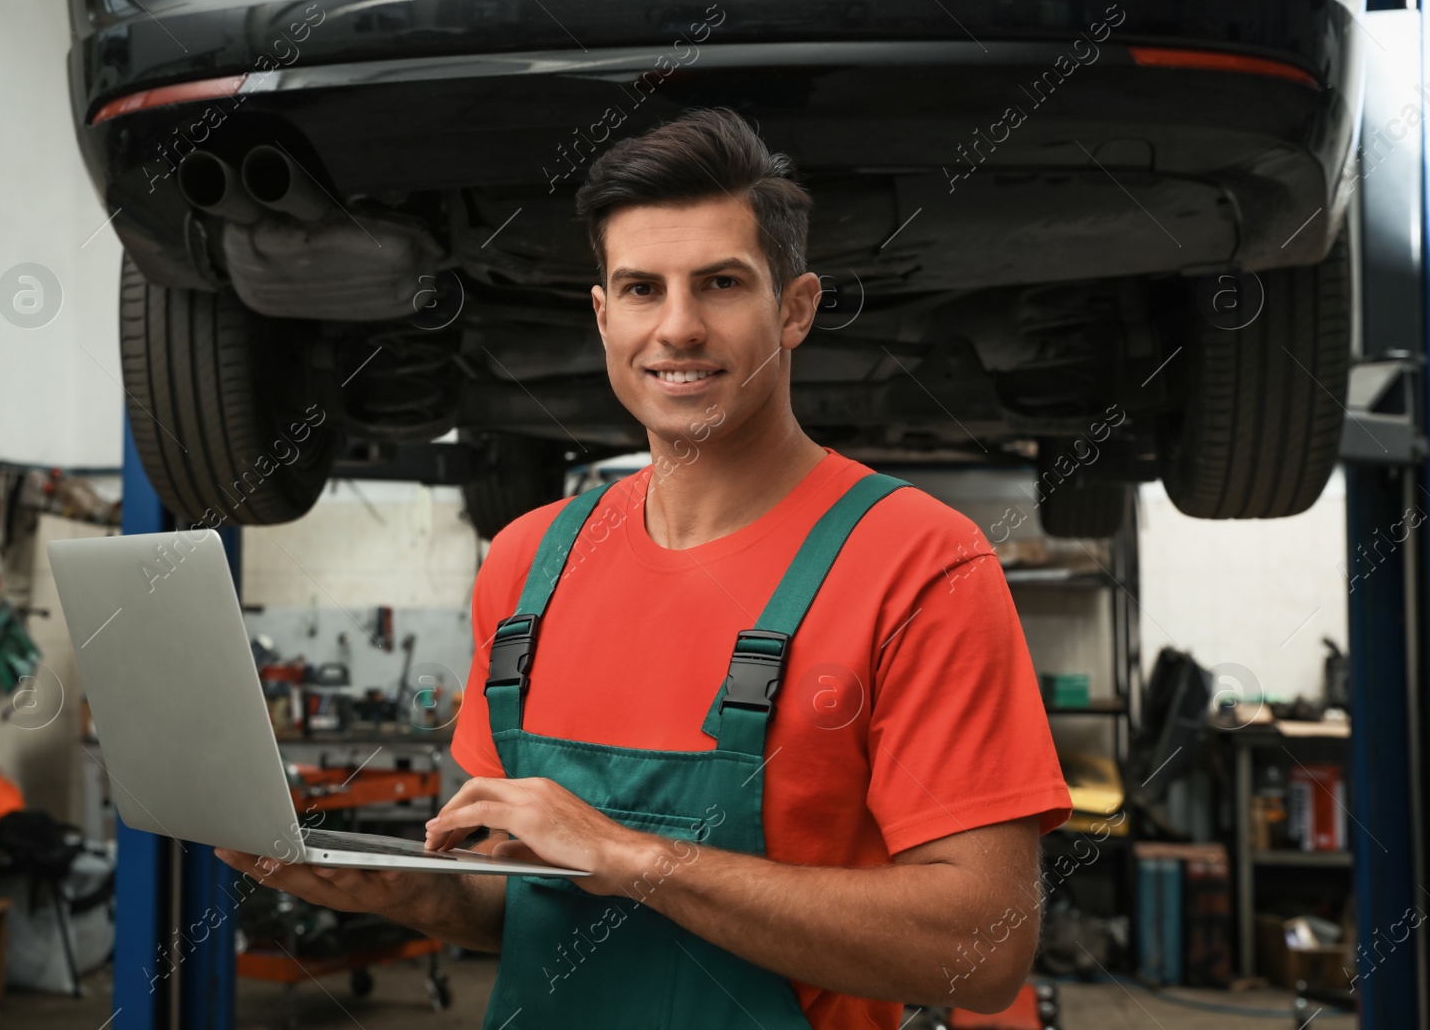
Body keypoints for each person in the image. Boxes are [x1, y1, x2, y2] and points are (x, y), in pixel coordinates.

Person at [218, 107, 1072, 1028]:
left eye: (720, 283)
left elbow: (984, 949)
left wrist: (632, 857)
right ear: (601, 314)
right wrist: (396, 887)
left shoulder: (918, 564)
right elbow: (523, 900)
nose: (677, 327)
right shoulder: (526, 565)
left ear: (796, 307)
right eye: (639, 288)